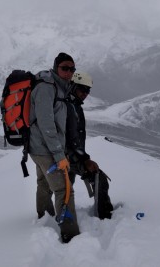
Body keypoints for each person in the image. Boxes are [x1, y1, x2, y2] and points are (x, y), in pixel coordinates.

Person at [29, 52, 80, 243]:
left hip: (40, 147)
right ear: (55, 67)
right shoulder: (46, 88)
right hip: (45, 149)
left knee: (43, 183)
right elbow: (46, 124)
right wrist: (59, 154)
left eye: (72, 69)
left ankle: (44, 218)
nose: (68, 73)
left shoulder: (58, 87)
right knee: (64, 189)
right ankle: (71, 235)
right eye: (65, 68)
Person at [65, 71, 113, 220]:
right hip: (69, 157)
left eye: (88, 90)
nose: (85, 93)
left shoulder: (74, 105)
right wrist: (84, 159)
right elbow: (69, 137)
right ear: (72, 86)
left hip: (72, 156)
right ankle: (104, 216)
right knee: (98, 178)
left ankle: (63, 216)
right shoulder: (69, 106)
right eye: (82, 89)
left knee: (67, 190)